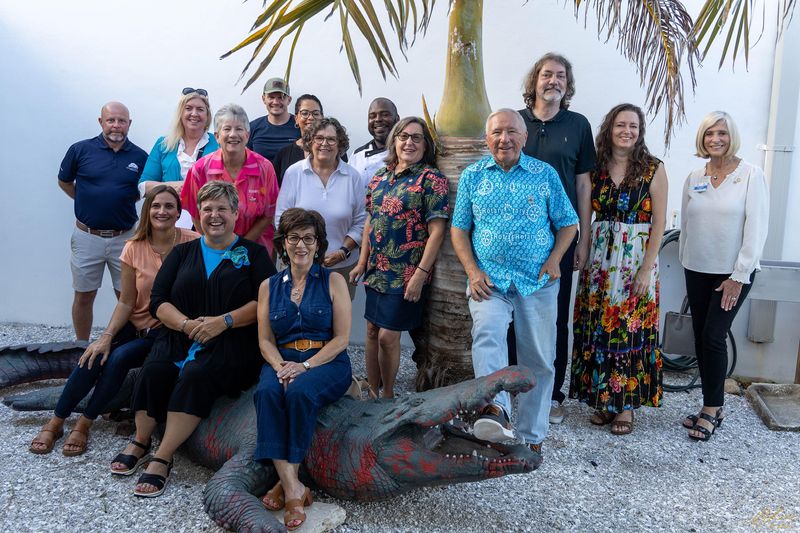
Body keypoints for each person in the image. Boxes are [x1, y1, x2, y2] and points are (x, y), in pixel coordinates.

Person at [110, 181, 275, 497]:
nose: (215, 215)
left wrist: (223, 322)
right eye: (207, 209)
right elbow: (158, 300)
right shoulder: (182, 252)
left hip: (231, 340)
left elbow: (265, 302)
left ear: (235, 213)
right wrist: (186, 325)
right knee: (154, 370)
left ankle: (163, 455)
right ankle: (141, 440)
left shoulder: (254, 255)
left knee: (196, 375)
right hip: (180, 335)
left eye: (222, 209)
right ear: (198, 214)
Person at [29, 186, 197, 456]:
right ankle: (56, 421)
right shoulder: (133, 247)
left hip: (165, 330)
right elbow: (126, 301)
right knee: (93, 354)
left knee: (119, 358)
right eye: (156, 206)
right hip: (135, 323)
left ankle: (84, 424)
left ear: (179, 213)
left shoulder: (193, 243)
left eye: (169, 206)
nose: (162, 211)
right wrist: (106, 336)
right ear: (147, 211)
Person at [450, 109, 578, 456]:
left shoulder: (544, 174)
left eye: (511, 132)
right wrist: (473, 271)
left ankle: (532, 435)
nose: (503, 139)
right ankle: (496, 412)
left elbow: (569, 223)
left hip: (537, 282)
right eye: (496, 132)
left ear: (524, 137)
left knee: (539, 358)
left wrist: (555, 258)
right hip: (489, 281)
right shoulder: (473, 176)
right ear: (486, 138)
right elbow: (459, 229)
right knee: (488, 335)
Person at [568, 103, 668, 435]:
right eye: (621, 125)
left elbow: (659, 223)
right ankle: (603, 400)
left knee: (628, 331)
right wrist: (582, 246)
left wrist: (646, 269)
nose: (627, 131)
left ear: (640, 132)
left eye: (633, 126)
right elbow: (585, 213)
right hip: (600, 261)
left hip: (635, 262)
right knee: (599, 329)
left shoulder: (653, 169)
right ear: (609, 129)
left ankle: (625, 406)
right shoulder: (595, 168)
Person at [253, 208, 352, 531]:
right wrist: (280, 366)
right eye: (294, 238)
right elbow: (265, 340)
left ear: (318, 244)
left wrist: (305, 366)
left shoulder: (333, 281)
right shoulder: (268, 286)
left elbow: (341, 339)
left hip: (326, 362)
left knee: (298, 393)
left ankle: (286, 487)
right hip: (281, 360)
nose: (301, 245)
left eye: (309, 238)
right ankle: (294, 485)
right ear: (283, 243)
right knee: (267, 393)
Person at [517, 53, 597, 424]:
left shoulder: (578, 125)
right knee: (510, 311)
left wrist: (583, 238)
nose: (554, 81)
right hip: (515, 236)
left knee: (554, 316)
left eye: (561, 75)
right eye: (547, 74)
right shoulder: (515, 122)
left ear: (568, 83)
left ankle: (552, 394)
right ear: (534, 81)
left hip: (559, 239)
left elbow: (583, 185)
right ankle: (512, 388)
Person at [679, 111, 769, 441]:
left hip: (732, 274)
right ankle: (710, 404)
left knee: (714, 336)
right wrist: (686, 259)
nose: (715, 139)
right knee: (701, 338)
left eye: (722, 133)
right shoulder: (695, 176)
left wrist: (739, 274)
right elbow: (687, 223)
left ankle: (713, 408)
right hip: (697, 269)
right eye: (709, 133)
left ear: (732, 137)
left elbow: (756, 228)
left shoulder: (750, 175)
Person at [349, 117, 449, 399]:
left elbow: (437, 231)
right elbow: (370, 222)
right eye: (403, 136)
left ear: (426, 144)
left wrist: (420, 274)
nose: (409, 143)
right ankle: (372, 392)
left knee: (387, 336)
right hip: (376, 269)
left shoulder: (431, 179)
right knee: (371, 331)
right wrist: (361, 262)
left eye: (416, 137)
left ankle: (388, 397)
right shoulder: (381, 176)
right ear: (394, 141)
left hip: (406, 273)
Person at [58, 101, 148, 340]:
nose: (116, 125)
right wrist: (85, 200)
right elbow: (64, 181)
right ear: (101, 122)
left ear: (129, 124)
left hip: (125, 239)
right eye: (111, 120)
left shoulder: (140, 156)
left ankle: (127, 348)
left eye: (121, 121)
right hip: (87, 237)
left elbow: (143, 190)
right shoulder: (80, 150)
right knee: (84, 295)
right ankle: (80, 346)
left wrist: (116, 200)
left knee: (128, 296)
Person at [276, 118, 366, 299]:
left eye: (331, 139)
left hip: (341, 267)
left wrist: (343, 251)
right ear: (310, 142)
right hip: (299, 264)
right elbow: (280, 219)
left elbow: (362, 221)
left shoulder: (353, 176)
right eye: (319, 138)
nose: (325, 143)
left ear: (340, 144)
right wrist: (303, 252)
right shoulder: (294, 173)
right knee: (296, 313)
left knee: (338, 315)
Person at [181, 104, 279, 255]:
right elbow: (195, 213)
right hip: (213, 250)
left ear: (247, 135)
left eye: (239, 129)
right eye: (227, 129)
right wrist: (214, 245)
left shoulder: (265, 168)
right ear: (217, 136)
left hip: (256, 250)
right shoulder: (200, 169)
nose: (233, 134)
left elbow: (268, 214)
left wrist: (238, 248)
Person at [139, 88, 219, 227]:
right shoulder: (163, 144)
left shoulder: (218, 145)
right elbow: (143, 187)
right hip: (168, 221)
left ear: (207, 115)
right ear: (181, 113)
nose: (194, 113)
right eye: (188, 108)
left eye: (200, 109)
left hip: (208, 222)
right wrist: (172, 186)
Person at [272, 94, 323, 186]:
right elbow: (274, 188)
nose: (311, 117)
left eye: (315, 113)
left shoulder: (334, 150)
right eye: (305, 113)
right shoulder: (283, 154)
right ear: (296, 119)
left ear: (322, 118)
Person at [248, 77, 301, 162]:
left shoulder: (300, 125)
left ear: (289, 100)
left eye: (281, 97)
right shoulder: (252, 128)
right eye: (271, 97)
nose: (275, 102)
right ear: (263, 99)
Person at [349, 97, 399, 183]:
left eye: (385, 115)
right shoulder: (357, 155)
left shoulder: (406, 152)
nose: (378, 119)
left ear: (397, 119)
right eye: (372, 116)